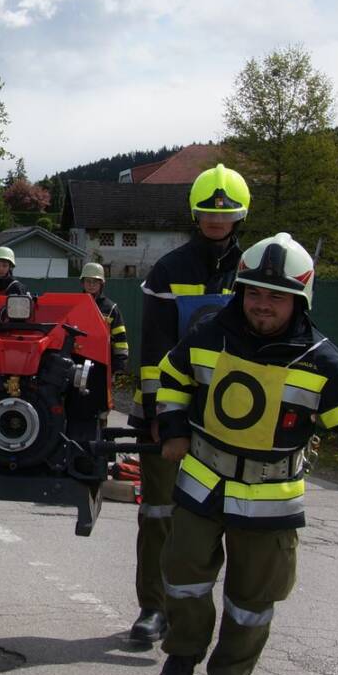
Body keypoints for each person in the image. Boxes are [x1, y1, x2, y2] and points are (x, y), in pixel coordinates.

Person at [151, 233, 338, 675]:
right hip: (203, 481)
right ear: (241, 290)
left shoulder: (323, 361)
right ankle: (182, 655)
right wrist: (174, 429)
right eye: (254, 292)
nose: (262, 305)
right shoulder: (208, 336)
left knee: (252, 596)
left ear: (299, 299)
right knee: (184, 576)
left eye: (276, 296)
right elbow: (173, 377)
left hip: (270, 495)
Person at [125, 163, 250, 646]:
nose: (216, 220)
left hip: (234, 417)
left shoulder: (253, 271)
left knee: (226, 519)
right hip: (168, 413)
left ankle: (197, 612)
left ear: (240, 216)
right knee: (159, 513)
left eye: (226, 213)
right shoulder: (169, 270)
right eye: (206, 212)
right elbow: (154, 352)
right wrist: (159, 416)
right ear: (195, 215)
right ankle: (153, 608)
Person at [79, 262, 129, 379]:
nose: (91, 285)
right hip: (77, 360)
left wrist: (120, 365)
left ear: (101, 283)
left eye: (95, 281)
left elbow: (120, 339)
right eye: (88, 281)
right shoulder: (76, 304)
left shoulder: (111, 308)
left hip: (102, 362)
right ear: (82, 283)